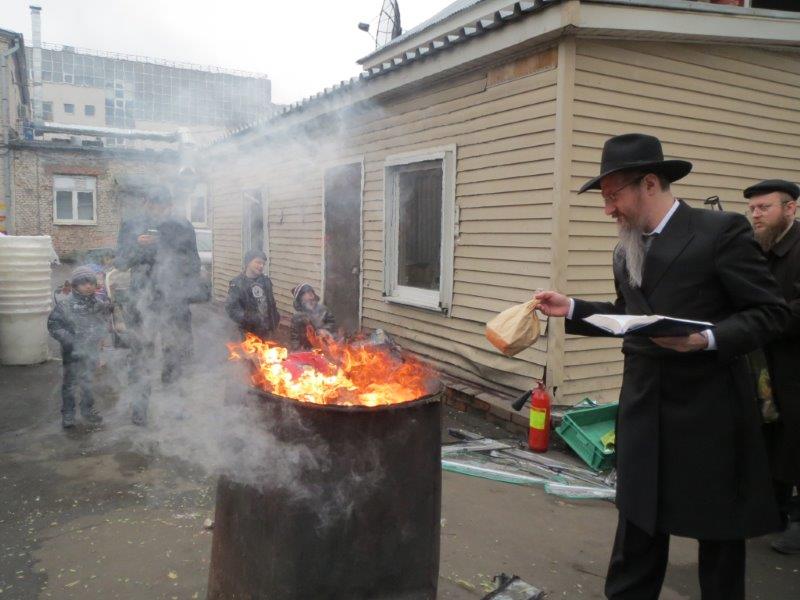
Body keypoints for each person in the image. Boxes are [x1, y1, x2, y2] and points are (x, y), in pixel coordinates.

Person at [535, 133, 789, 600]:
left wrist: (705, 339)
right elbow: (628, 316)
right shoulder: (625, 249)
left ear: (649, 183)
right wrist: (571, 308)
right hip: (643, 406)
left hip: (710, 411)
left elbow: (770, 312)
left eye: (613, 196)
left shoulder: (720, 232)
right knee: (637, 527)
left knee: (718, 535)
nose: (608, 209)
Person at [115, 185, 202, 425]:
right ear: (146, 204)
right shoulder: (131, 226)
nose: (159, 211)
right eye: (154, 206)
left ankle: (175, 407)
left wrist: (166, 250)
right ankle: (139, 409)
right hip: (142, 302)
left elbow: (194, 263)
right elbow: (120, 262)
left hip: (174, 301)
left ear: (170, 206)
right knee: (141, 355)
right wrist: (138, 246)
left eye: (164, 207)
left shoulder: (183, 226)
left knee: (176, 354)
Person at [744, 178, 800, 554]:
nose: (756, 215)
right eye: (752, 208)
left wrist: (761, 320)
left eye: (764, 207)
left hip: (795, 362)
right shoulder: (759, 248)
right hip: (766, 363)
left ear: (790, 208)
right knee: (772, 436)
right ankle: (774, 510)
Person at [47, 265, 110, 428]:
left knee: (87, 382)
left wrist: (101, 338)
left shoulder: (99, 304)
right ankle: (68, 413)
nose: (88, 286)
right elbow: (54, 325)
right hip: (71, 352)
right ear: (75, 285)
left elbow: (103, 322)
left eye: (91, 283)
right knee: (70, 383)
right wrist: (69, 340)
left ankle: (87, 409)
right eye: (83, 283)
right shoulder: (65, 305)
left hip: (91, 350)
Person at [225, 249, 280, 340]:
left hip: (266, 330)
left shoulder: (266, 281)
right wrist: (249, 318)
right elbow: (232, 309)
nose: (261, 266)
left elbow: (271, 304)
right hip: (246, 332)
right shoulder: (237, 283)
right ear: (248, 262)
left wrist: (275, 320)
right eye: (258, 262)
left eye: (263, 264)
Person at [290, 283, 336, 351]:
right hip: (307, 349)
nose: (310, 294)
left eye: (311, 291)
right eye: (307, 292)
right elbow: (295, 338)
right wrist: (297, 350)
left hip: (324, 346)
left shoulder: (323, 309)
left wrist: (324, 329)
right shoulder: (297, 317)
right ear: (301, 297)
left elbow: (332, 323)